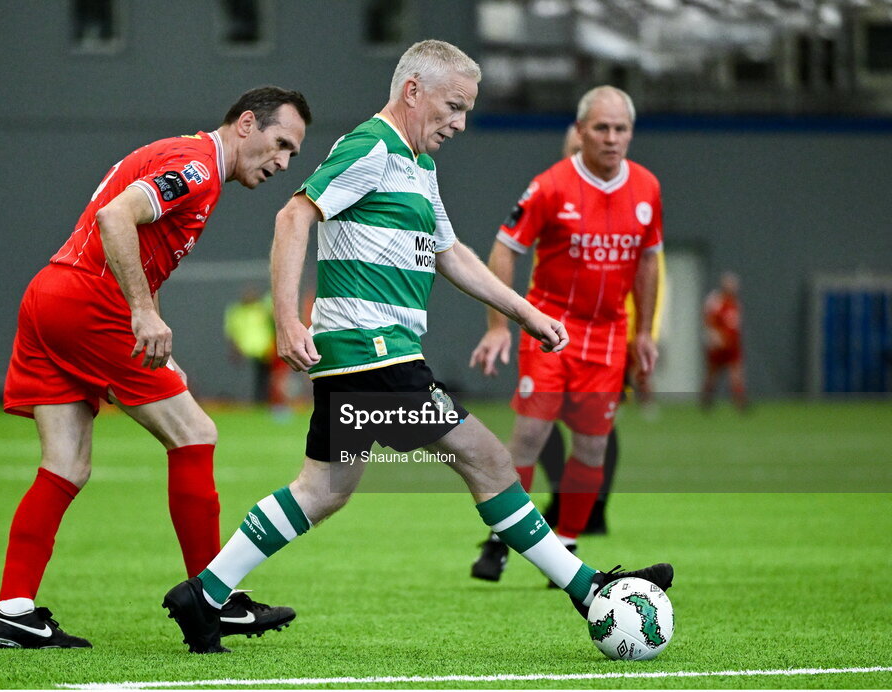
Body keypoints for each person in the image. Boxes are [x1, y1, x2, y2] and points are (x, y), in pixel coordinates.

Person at [159, 41, 672, 655]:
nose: (459, 123)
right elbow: (294, 216)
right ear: (413, 91)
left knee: (323, 490)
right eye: (453, 107)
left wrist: (524, 310)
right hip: (373, 351)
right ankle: (590, 592)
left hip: (366, 356)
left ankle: (205, 593)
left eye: (466, 111)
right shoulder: (370, 146)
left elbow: (449, 253)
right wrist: (289, 320)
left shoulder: (419, 166)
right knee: (487, 459)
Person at [0, 87, 312, 649]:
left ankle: (13, 611)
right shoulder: (196, 167)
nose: (283, 162)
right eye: (280, 144)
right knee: (195, 434)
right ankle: (214, 600)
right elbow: (116, 218)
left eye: (292, 155)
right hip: (90, 301)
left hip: (51, 296)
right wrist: (139, 310)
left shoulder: (186, 157)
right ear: (246, 124)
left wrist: (150, 318)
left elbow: (131, 241)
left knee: (65, 465)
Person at [469, 86, 663, 583]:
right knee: (530, 436)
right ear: (580, 132)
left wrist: (643, 331)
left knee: (593, 447)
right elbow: (504, 248)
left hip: (608, 335)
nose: (612, 138)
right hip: (551, 325)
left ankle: (568, 546)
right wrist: (499, 326)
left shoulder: (647, 189)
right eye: (602, 128)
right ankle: (502, 538)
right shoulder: (550, 186)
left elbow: (648, 261)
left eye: (621, 129)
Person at [701, 271, 747, 410]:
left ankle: (740, 403)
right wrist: (714, 337)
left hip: (732, 346)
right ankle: (706, 399)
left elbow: (736, 325)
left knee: (736, 374)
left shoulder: (735, 303)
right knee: (712, 375)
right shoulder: (716, 301)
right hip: (719, 346)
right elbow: (708, 321)